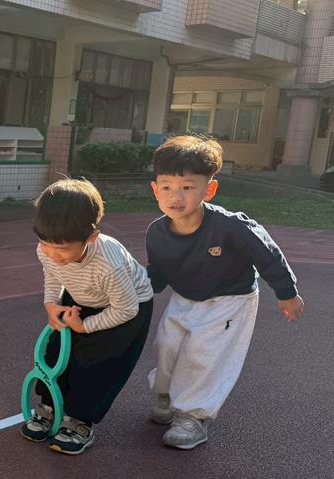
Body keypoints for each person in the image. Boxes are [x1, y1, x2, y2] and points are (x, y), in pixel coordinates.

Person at [146, 135, 304, 450]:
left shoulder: (230, 227)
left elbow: (267, 254)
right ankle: (166, 393)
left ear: (210, 189)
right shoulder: (157, 232)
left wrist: (286, 292)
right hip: (186, 296)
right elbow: (158, 275)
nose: (176, 196)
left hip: (230, 299)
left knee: (203, 353)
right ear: (155, 190)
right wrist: (136, 293)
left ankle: (193, 416)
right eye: (167, 187)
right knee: (166, 345)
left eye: (187, 187)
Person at [20, 179, 154, 455]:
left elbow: (127, 309)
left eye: (63, 250)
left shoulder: (108, 263)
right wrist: (51, 304)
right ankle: (49, 407)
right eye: (46, 245)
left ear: (91, 237)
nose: (53, 255)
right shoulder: (48, 248)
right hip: (83, 296)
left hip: (126, 306)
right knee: (57, 353)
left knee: (96, 364)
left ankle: (80, 421)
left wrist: (85, 326)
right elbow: (53, 275)